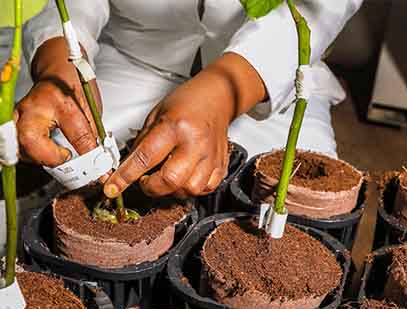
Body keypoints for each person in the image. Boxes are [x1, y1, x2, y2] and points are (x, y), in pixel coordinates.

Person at [16, 1, 362, 199]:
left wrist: (225, 91)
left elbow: (320, 8)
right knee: (50, 182)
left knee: (302, 208)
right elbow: (69, 7)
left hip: (274, 76)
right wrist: (58, 64)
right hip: (130, 62)